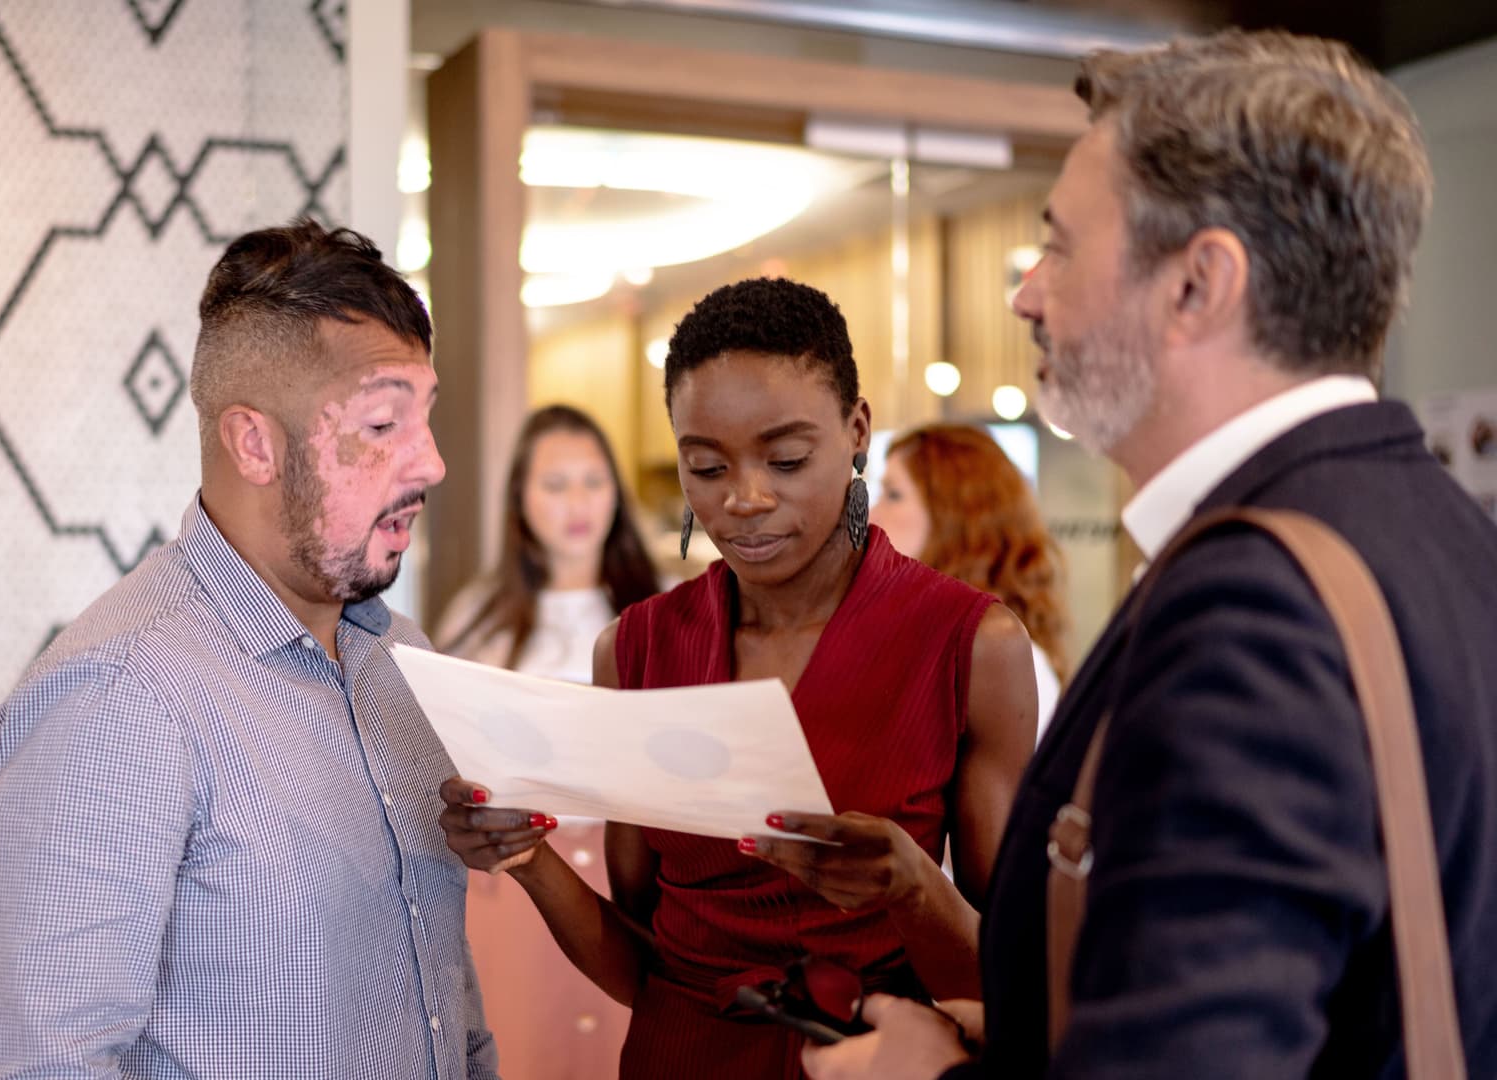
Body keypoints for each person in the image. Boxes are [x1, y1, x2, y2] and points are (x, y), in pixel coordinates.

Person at [802, 29, 1497, 1080]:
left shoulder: (1254, 606)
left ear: (1197, 286)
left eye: (1063, 246)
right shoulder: (1445, 530)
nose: (1026, 294)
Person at [438, 277, 1040, 1079]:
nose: (745, 499)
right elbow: (645, 971)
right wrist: (525, 854)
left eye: (786, 459)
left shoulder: (970, 643)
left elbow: (1012, 984)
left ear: (857, 430)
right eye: (707, 467)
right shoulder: (639, 649)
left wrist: (911, 886)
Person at [0, 220, 499, 1079]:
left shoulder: (404, 660)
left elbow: (443, 997)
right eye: (380, 425)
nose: (430, 464)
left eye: (424, 419)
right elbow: (44, 1066)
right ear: (255, 443)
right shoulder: (118, 694)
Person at [435, 404, 661, 683]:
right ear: (520, 498)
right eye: (555, 485)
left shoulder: (669, 605)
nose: (578, 504)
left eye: (593, 481)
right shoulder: (477, 618)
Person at [872, 425, 1070, 733]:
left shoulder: (1008, 661)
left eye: (893, 495)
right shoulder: (903, 637)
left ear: (954, 516)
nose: (872, 515)